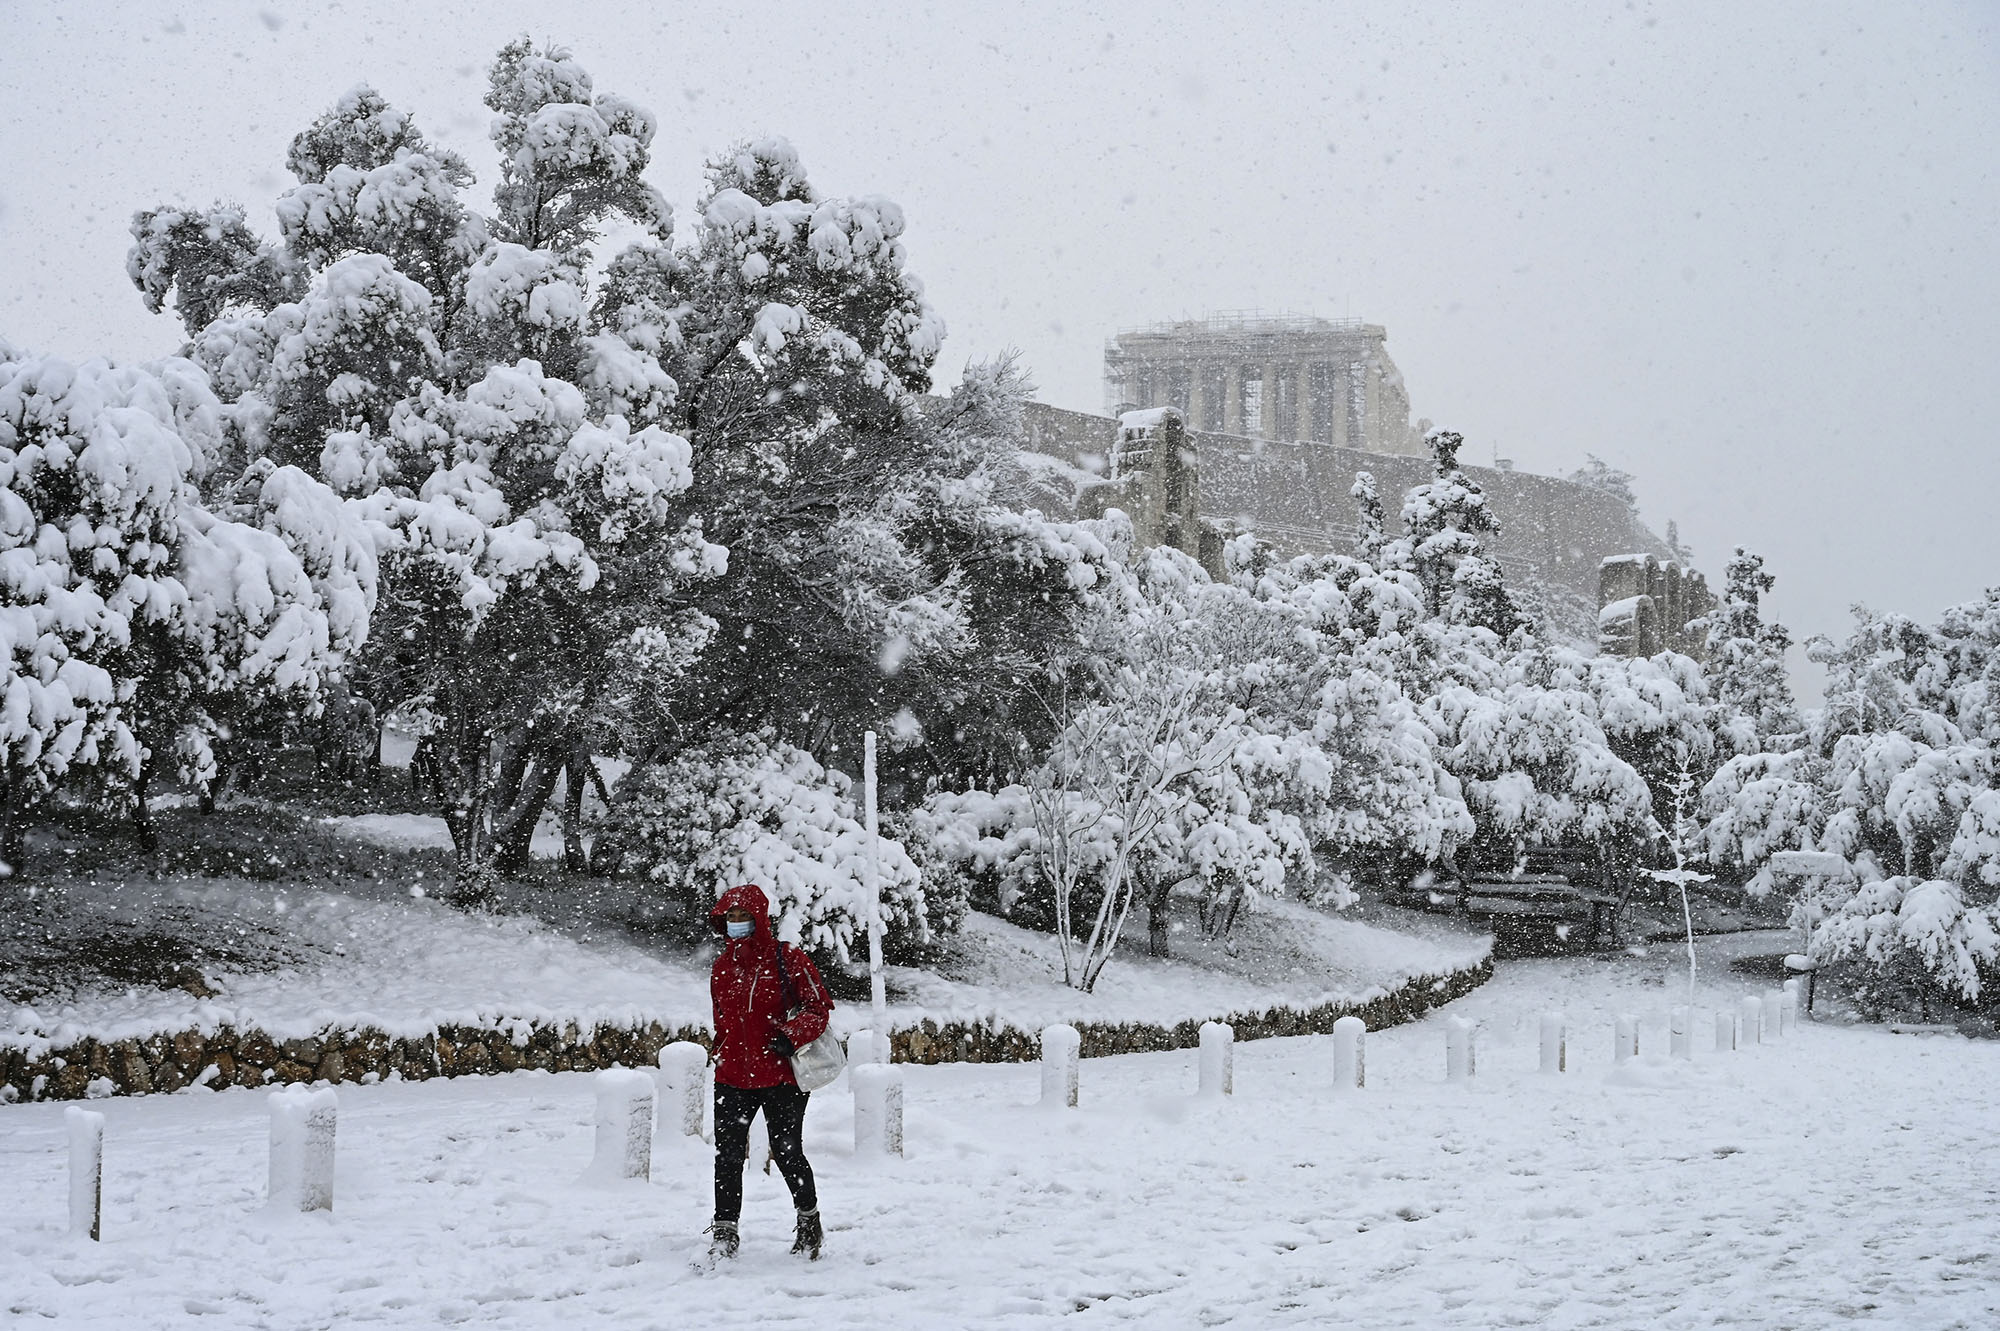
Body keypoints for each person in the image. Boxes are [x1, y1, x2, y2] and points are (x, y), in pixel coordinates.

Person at [706, 883, 834, 1261]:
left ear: (760, 918)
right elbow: (722, 1020)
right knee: (727, 1155)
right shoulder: (721, 967)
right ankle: (725, 1230)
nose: (736, 922)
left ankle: (809, 1221)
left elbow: (818, 1007)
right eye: (730, 916)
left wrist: (791, 1036)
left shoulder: (788, 958)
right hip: (732, 1074)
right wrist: (721, 1051)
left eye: (743, 915)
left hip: (781, 1076)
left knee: (786, 1150)